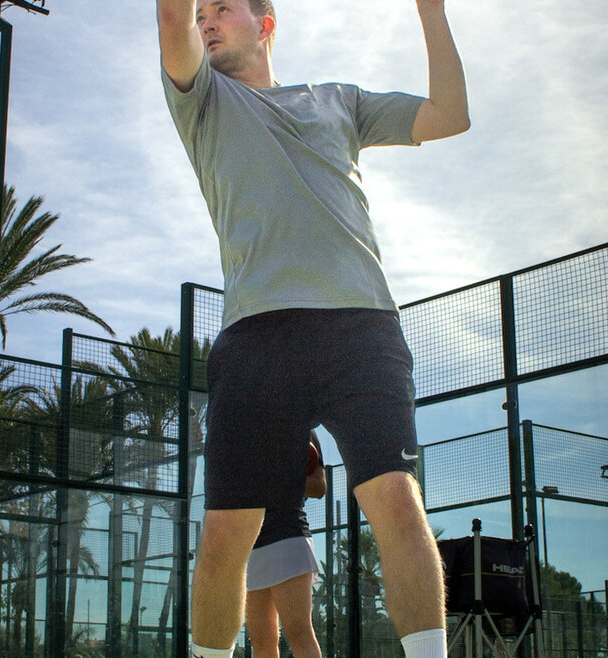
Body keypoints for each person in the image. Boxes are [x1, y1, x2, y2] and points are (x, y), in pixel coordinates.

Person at [155, 0, 470, 656]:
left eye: (222, 9)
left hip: (362, 327)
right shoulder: (204, 101)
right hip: (257, 338)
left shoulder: (340, 100)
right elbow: (169, 20)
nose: (206, 21)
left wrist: (431, 12)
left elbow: (451, 115)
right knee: (224, 540)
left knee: (399, 506)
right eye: (201, 11)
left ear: (265, 24)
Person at [245, 431, 326, 658]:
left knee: (299, 633)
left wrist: (276, 477)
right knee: (261, 640)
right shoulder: (243, 422)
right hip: (249, 541)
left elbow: (319, 486)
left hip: (288, 536)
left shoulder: (305, 429)